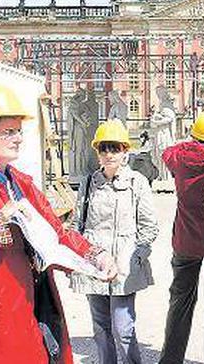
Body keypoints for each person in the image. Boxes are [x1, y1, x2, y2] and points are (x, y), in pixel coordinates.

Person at [0, 84, 118, 363]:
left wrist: (94, 255)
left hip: (28, 307)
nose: (18, 138)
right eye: (8, 131)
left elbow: (57, 234)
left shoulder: (21, 185)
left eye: (19, 131)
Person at [71, 120, 159, 364]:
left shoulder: (136, 183)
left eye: (115, 148)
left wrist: (136, 256)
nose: (109, 154)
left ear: (125, 152)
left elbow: (149, 226)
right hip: (94, 266)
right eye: (104, 148)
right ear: (97, 152)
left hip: (124, 267)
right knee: (101, 328)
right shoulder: (89, 184)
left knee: (123, 329)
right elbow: (77, 224)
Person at [159, 110, 204, 364]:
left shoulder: (181, 157)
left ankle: (171, 359)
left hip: (185, 240)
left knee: (180, 302)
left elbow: (167, 153)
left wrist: (190, 141)